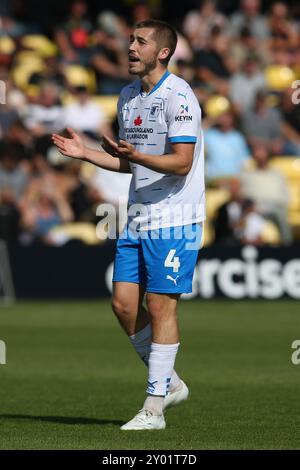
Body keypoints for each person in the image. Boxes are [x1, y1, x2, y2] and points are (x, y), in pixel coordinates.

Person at [52, 19, 205, 431]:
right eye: (131, 40)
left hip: (176, 217)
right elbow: (128, 160)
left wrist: (134, 156)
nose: (131, 47)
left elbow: (181, 162)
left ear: (164, 52)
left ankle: (153, 409)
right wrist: (84, 153)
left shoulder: (180, 95)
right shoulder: (126, 97)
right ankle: (169, 381)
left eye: (141, 42)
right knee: (123, 305)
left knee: (159, 307)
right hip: (138, 216)